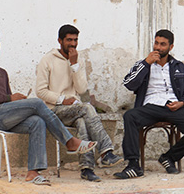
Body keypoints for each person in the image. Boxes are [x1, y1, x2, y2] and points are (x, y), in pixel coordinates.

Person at [0, 27, 95, 185]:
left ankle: (33, 173)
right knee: (37, 103)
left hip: (4, 117)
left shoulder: (1, 72)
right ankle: (69, 141)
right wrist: (10, 98)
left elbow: (7, 101)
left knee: (37, 121)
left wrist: (17, 102)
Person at [35, 24, 122, 182]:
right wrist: (62, 99)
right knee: (87, 107)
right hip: (52, 110)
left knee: (82, 122)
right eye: (69, 40)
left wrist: (74, 65)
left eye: (75, 40)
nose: (73, 44)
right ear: (60, 40)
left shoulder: (77, 60)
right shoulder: (47, 60)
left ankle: (87, 168)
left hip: (74, 110)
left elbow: (81, 89)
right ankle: (106, 151)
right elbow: (40, 92)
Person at [115, 29, 184, 178]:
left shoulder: (179, 67)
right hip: (150, 107)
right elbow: (129, 84)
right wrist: (146, 64)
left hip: (173, 107)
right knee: (130, 116)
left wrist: (181, 103)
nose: (158, 47)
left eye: (163, 44)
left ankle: (169, 158)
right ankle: (133, 165)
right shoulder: (143, 64)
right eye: (156, 43)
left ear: (170, 47)